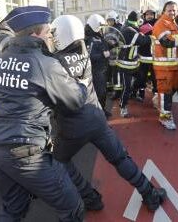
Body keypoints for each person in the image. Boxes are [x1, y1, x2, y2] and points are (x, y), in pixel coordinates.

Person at [51, 15, 167, 213]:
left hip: (71, 125)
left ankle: (90, 197)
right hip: (96, 118)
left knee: (59, 160)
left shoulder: (52, 63)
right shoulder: (86, 51)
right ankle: (150, 194)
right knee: (121, 158)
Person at [0, 6, 88, 221]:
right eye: (49, 32)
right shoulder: (45, 64)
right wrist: (82, 84)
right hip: (26, 150)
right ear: (35, 34)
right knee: (72, 206)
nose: (52, 37)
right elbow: (75, 100)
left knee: (13, 209)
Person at [152, 1, 178, 130]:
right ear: (163, 12)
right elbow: (166, 42)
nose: (172, 12)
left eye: (174, 10)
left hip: (174, 65)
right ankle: (165, 118)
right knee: (166, 93)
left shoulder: (173, 23)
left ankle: (158, 100)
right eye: (169, 10)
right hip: (163, 67)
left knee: (175, 87)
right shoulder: (161, 23)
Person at [117, 11, 151, 117]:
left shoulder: (128, 27)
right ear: (136, 20)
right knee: (126, 86)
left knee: (140, 78)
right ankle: (123, 107)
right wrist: (151, 36)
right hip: (125, 64)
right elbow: (142, 41)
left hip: (132, 62)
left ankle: (133, 93)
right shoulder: (129, 30)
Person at [84, 14, 111, 117]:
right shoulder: (90, 39)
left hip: (102, 69)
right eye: (100, 27)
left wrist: (111, 45)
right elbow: (89, 56)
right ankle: (98, 113)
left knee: (103, 92)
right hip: (96, 71)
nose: (102, 29)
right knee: (99, 93)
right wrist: (102, 55)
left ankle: (102, 110)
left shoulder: (97, 36)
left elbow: (103, 46)